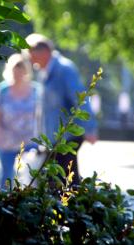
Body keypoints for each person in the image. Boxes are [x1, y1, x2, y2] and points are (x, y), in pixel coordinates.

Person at [25, 33, 98, 186]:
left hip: (67, 137)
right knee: (61, 179)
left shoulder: (64, 69)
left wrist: (90, 128)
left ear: (43, 52)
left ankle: (74, 207)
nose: (30, 59)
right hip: (53, 139)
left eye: (31, 54)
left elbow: (79, 98)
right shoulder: (44, 72)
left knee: (60, 180)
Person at [0, 53, 42, 189]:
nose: (18, 71)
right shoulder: (2, 90)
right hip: (6, 141)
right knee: (5, 178)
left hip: (30, 141)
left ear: (26, 70)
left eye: (21, 68)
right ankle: (1, 206)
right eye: (15, 68)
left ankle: (28, 204)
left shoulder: (36, 90)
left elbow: (41, 117)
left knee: (30, 177)